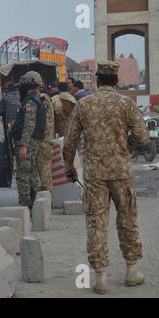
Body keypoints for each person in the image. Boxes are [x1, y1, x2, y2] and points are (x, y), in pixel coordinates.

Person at [63, 60, 148, 295]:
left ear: (97, 80)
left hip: (95, 175)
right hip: (121, 172)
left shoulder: (85, 104)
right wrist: (124, 142)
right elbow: (142, 138)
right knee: (128, 220)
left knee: (96, 224)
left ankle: (100, 277)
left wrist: (68, 165)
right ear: (117, 81)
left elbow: (69, 140)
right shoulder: (126, 104)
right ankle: (132, 271)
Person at [11, 71, 47, 208]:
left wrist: (24, 146)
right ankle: (36, 204)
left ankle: (25, 205)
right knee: (31, 173)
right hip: (32, 142)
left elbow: (29, 124)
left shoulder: (31, 101)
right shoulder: (36, 99)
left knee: (23, 175)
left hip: (27, 142)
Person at [37, 80, 55, 193]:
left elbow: (43, 121)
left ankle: (46, 193)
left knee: (44, 167)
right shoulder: (47, 98)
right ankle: (47, 193)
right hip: (47, 138)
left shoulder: (42, 98)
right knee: (45, 167)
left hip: (43, 139)